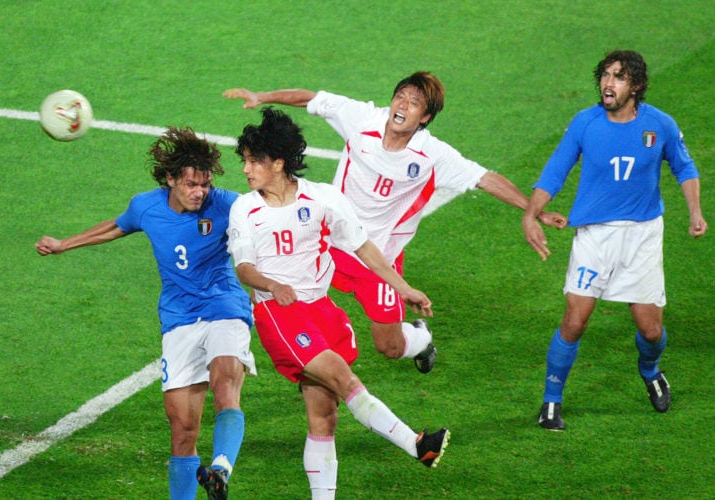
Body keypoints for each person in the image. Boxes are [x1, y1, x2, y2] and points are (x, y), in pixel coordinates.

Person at [224, 73, 566, 374]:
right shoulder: (362, 119)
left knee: (389, 347)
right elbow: (312, 99)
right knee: (291, 299)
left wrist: (532, 209)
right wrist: (262, 97)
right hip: (328, 244)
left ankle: (419, 339)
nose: (402, 105)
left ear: (425, 117)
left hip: (378, 259)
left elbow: (485, 179)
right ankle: (313, 370)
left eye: (414, 102)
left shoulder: (432, 155)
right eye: (400, 96)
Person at [227, 107, 450, 499]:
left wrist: (403, 287)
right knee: (347, 382)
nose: (246, 169)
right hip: (278, 314)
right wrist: (272, 284)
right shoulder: (245, 209)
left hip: (320, 309)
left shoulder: (324, 198)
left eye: (254, 161)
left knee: (324, 418)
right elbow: (244, 268)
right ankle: (418, 445)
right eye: (244, 161)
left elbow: (364, 246)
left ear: (278, 163)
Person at [35, 127, 256, 499]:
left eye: (203, 184)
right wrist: (63, 245)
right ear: (169, 179)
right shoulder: (146, 207)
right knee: (183, 430)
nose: (198, 192)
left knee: (225, 384)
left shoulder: (228, 204)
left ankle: (220, 469)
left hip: (225, 308)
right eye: (189, 184)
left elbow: (266, 212)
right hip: (178, 319)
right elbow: (114, 227)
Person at [522, 50, 708, 431]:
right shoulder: (585, 123)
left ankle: (650, 369)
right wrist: (532, 212)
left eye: (619, 77)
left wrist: (695, 211)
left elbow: (684, 167)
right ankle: (551, 401)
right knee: (575, 321)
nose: (609, 83)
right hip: (595, 236)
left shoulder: (661, 125)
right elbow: (556, 169)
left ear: (636, 86)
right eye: (605, 75)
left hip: (642, 237)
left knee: (651, 330)